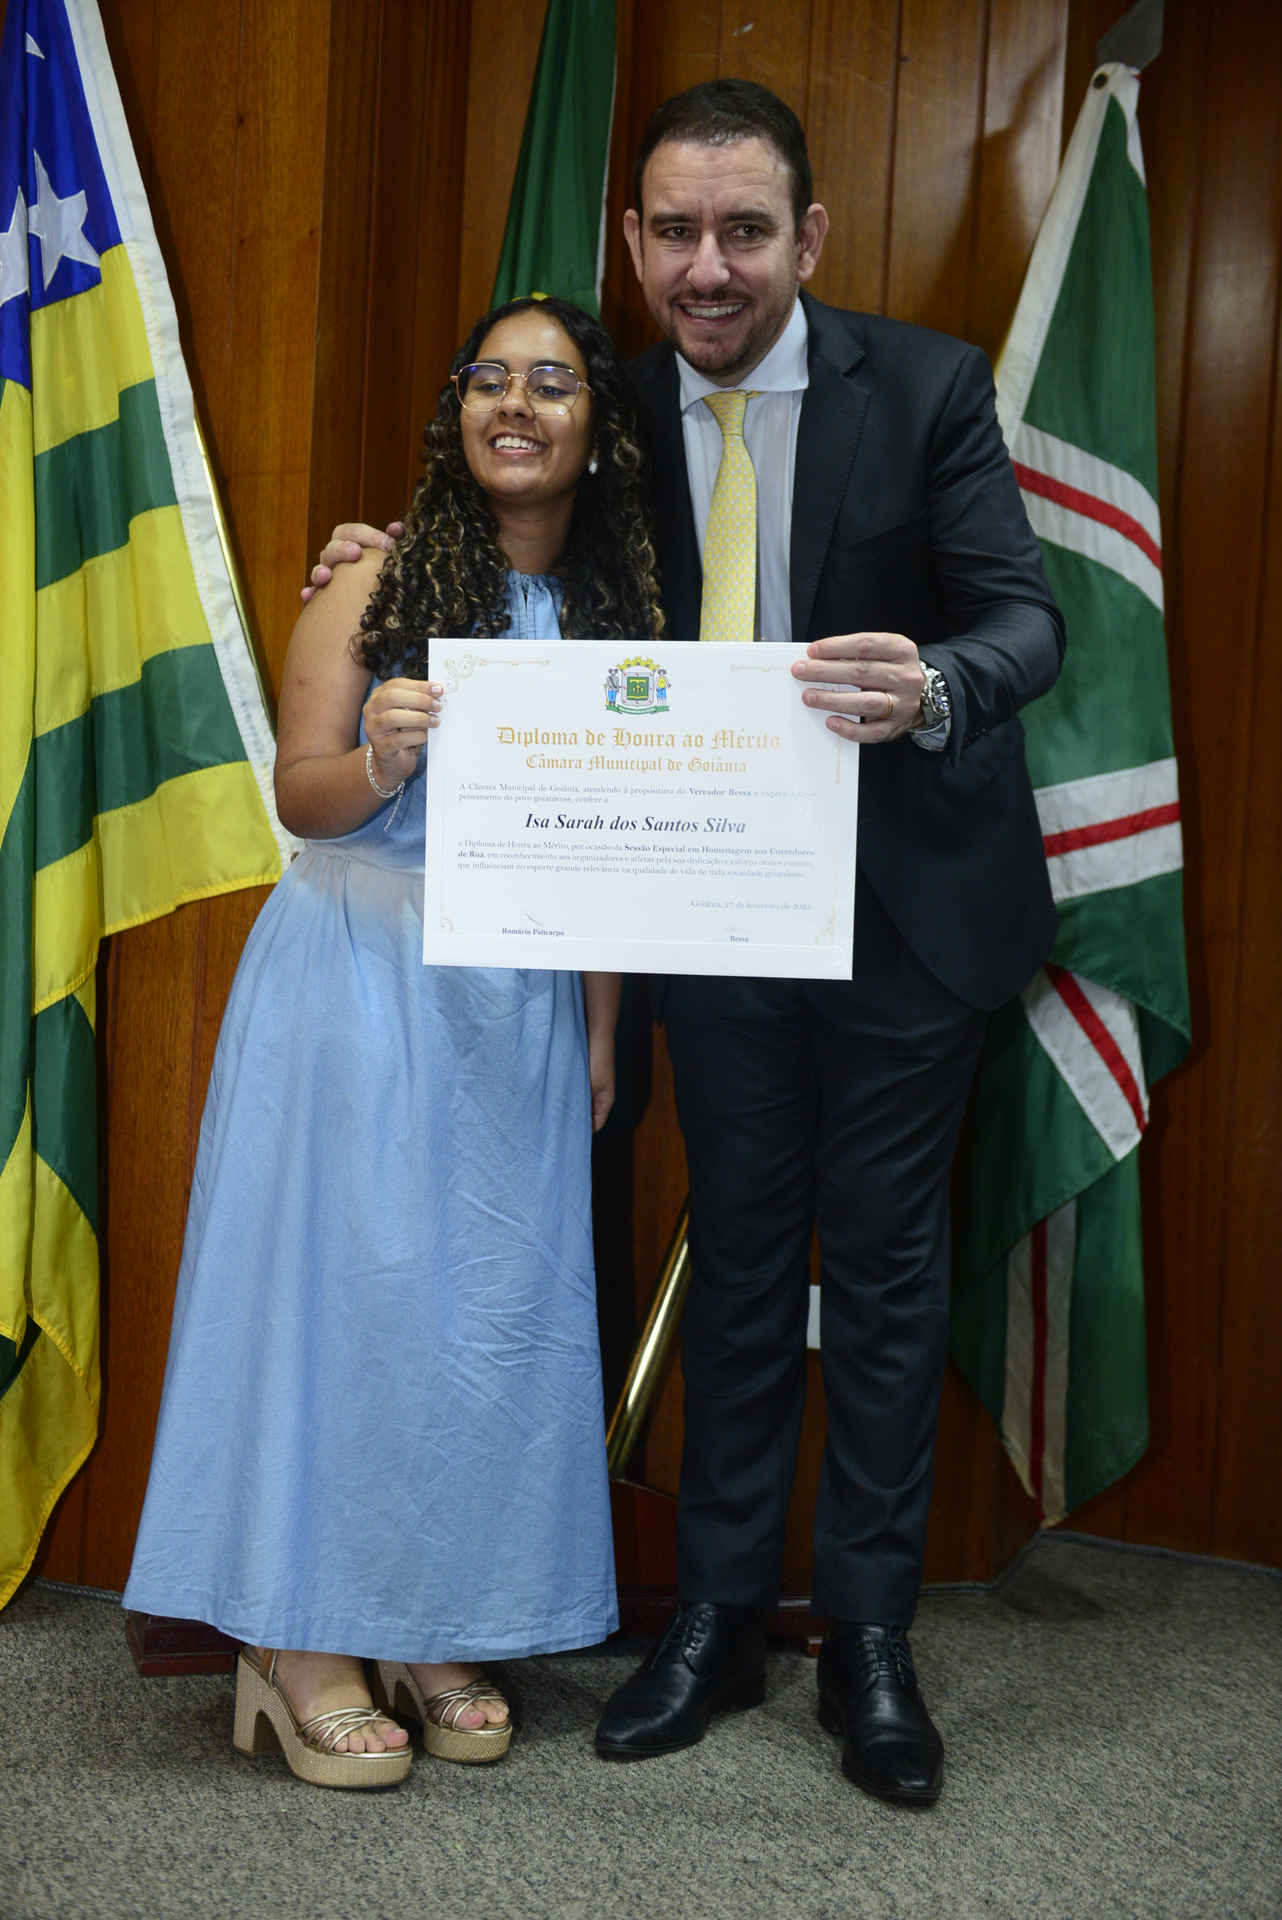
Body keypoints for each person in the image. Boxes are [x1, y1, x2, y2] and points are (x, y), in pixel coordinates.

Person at [310, 81, 1063, 1807]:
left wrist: (938, 685)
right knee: (735, 1262)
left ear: (807, 236)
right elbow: (493, 529)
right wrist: (378, 556)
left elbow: (1024, 617)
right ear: (634, 243)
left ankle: (865, 1640)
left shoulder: (927, 386)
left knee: (882, 1276)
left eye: (742, 230)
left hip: (907, 914)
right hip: (703, 912)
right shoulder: (615, 405)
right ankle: (716, 1621)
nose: (706, 265)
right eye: (672, 232)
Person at [123, 296, 663, 1789]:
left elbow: (611, 851)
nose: (516, 402)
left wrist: (600, 1028)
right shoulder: (375, 575)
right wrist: (377, 758)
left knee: (482, 1314)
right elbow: (298, 797)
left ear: (597, 430)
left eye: (552, 382)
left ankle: (438, 1621)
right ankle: (301, 1642)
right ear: (456, 412)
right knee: (347, 1308)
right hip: (358, 978)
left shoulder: (618, 614)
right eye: (490, 378)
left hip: (519, 1002)